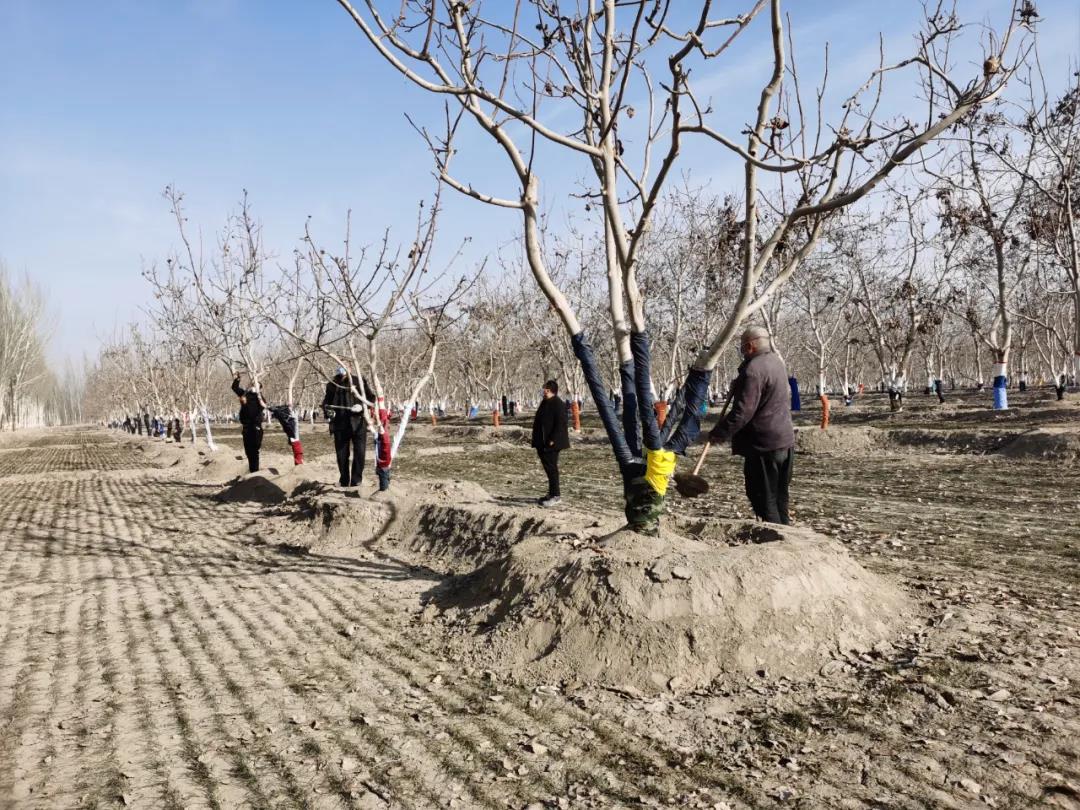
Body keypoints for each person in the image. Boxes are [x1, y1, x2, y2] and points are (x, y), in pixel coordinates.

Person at [708, 326, 796, 525]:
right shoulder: (777, 362)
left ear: (749, 346)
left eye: (741, 347)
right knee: (780, 495)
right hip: (785, 440)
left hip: (763, 445)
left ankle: (775, 542)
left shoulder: (753, 370)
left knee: (764, 498)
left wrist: (719, 433)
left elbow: (742, 412)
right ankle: (787, 537)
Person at [322, 366, 372, 488]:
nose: (342, 368)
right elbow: (326, 403)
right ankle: (344, 480)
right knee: (342, 455)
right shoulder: (332, 385)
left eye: (345, 366)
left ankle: (356, 480)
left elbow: (371, 398)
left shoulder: (359, 381)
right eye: (339, 366)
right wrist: (328, 411)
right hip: (340, 424)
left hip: (358, 422)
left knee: (360, 453)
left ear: (350, 367)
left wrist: (362, 406)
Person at [531, 379, 570, 507]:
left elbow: (561, 423)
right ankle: (551, 493)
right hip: (542, 442)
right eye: (544, 389)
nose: (544, 391)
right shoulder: (545, 402)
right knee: (548, 468)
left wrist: (553, 439)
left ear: (552, 390)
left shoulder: (558, 404)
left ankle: (556, 496)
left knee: (552, 468)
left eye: (546, 389)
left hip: (552, 443)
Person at [231, 373, 266, 473]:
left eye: (256, 385)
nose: (253, 386)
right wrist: (237, 379)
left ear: (260, 389)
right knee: (248, 451)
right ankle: (252, 471)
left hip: (255, 427)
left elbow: (254, 412)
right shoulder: (244, 394)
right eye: (253, 384)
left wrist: (245, 404)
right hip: (246, 428)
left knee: (254, 450)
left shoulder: (260, 399)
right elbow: (234, 387)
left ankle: (255, 472)